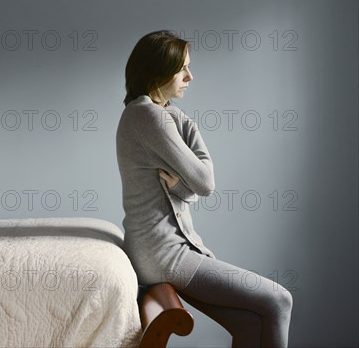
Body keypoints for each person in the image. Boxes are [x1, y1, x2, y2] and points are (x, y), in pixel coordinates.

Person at [115, 30, 293, 347]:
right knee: (279, 300)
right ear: (158, 72)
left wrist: (183, 181)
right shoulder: (149, 117)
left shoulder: (152, 114)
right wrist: (188, 183)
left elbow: (192, 187)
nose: (190, 76)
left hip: (160, 251)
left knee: (250, 325)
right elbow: (206, 182)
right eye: (182, 68)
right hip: (165, 254)